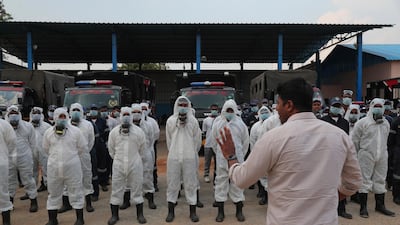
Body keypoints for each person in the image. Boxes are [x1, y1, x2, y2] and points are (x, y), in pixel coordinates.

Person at [216, 77, 362, 225]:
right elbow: (353, 183)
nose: (277, 109)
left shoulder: (273, 139)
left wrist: (231, 156)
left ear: (289, 105)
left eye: (279, 104)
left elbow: (241, 180)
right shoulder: (340, 136)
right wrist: (326, 199)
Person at [351, 98, 396, 218]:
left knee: (380, 179)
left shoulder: (386, 123)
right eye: (375, 106)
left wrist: (383, 152)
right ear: (371, 107)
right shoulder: (362, 123)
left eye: (380, 106)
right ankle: (363, 207)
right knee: (364, 180)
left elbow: (386, 139)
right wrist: (355, 155)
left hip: (382, 154)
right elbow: (355, 141)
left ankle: (380, 205)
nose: (378, 108)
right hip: (366, 155)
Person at [43, 107, 86, 225]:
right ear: (55, 118)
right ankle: (52, 219)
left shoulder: (75, 132)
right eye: (59, 117)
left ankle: (79, 218)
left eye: (64, 116)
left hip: (72, 168)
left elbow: (82, 148)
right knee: (53, 192)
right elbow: (46, 148)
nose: (62, 119)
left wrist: (70, 159)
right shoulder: (48, 133)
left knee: (76, 191)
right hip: (54, 168)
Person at [107, 107, 147, 225]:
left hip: (135, 163)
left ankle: (140, 214)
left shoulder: (138, 132)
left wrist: (134, 159)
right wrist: (118, 159)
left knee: (137, 188)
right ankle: (114, 215)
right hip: (118, 164)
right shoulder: (114, 132)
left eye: (127, 114)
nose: (126, 117)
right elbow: (111, 149)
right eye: (123, 114)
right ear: (120, 116)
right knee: (116, 188)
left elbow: (142, 149)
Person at [211, 99, 249, 222]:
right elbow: (214, 143)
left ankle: (239, 211)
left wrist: (239, 156)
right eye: (227, 110)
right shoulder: (217, 124)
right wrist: (221, 155)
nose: (229, 112)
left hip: (237, 160)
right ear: (223, 111)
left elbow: (245, 143)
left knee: (237, 184)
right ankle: (220, 212)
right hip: (222, 160)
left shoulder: (241, 124)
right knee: (220, 184)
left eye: (231, 110)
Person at [165, 96, 202, 223]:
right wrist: (174, 152)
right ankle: (171, 211)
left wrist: (191, 152)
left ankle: (192, 212)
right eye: (180, 104)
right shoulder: (170, 121)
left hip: (189, 157)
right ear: (176, 105)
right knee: (172, 184)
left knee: (191, 183)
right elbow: (169, 140)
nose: (183, 107)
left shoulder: (193, 121)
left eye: (185, 105)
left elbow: (197, 141)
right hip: (174, 157)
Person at [321, 97, 352, 219]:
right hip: (327, 156)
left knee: (341, 182)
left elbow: (346, 139)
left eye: (338, 106)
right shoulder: (323, 121)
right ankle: (327, 209)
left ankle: (341, 209)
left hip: (341, 155)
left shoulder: (344, 122)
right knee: (327, 182)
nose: (336, 108)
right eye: (334, 105)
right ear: (330, 107)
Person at [5, 105, 39, 213]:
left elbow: (33, 143)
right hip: (8, 158)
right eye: (11, 114)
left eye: (15, 113)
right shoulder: (4, 127)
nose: (13, 116)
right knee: (9, 181)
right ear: (7, 115)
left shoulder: (27, 126)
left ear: (19, 114)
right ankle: (9, 204)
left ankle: (33, 201)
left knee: (28, 179)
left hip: (24, 157)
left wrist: (33, 157)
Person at [70, 103, 96, 212]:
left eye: (78, 110)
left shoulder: (88, 125)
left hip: (84, 156)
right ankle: (68, 203)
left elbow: (91, 141)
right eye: (73, 110)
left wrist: (84, 151)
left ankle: (88, 203)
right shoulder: (66, 124)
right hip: (69, 157)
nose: (75, 112)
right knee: (70, 179)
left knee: (86, 178)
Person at [249, 106, 272, 205]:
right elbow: (252, 141)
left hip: (272, 154)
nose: (264, 114)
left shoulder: (274, 125)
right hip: (260, 154)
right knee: (262, 176)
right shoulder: (255, 126)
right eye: (262, 112)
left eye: (265, 112)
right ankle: (263, 195)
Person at [30, 107, 51, 193]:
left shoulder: (46, 126)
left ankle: (50, 189)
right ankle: (31, 192)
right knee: (32, 172)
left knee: (46, 170)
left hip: (44, 152)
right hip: (31, 152)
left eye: (38, 113)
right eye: (34, 113)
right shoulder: (28, 126)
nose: (36, 115)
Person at [88, 104, 110, 192]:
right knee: (92, 165)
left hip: (101, 144)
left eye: (95, 109)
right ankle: (93, 184)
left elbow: (106, 133)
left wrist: (102, 142)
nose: (93, 111)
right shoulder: (87, 121)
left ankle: (103, 182)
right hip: (91, 145)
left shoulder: (102, 121)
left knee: (102, 164)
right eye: (92, 109)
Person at [0, 117, 17, 225]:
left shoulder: (4, 125)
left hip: (0, 164)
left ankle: (6, 222)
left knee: (2, 192)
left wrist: (4, 156)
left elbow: (12, 142)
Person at [202, 103, 219, 183]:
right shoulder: (206, 120)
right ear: (210, 110)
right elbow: (204, 132)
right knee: (207, 161)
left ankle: (217, 175)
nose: (214, 111)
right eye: (213, 109)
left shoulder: (220, 120)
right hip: (208, 144)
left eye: (216, 109)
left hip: (217, 144)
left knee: (217, 161)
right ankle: (206, 174)